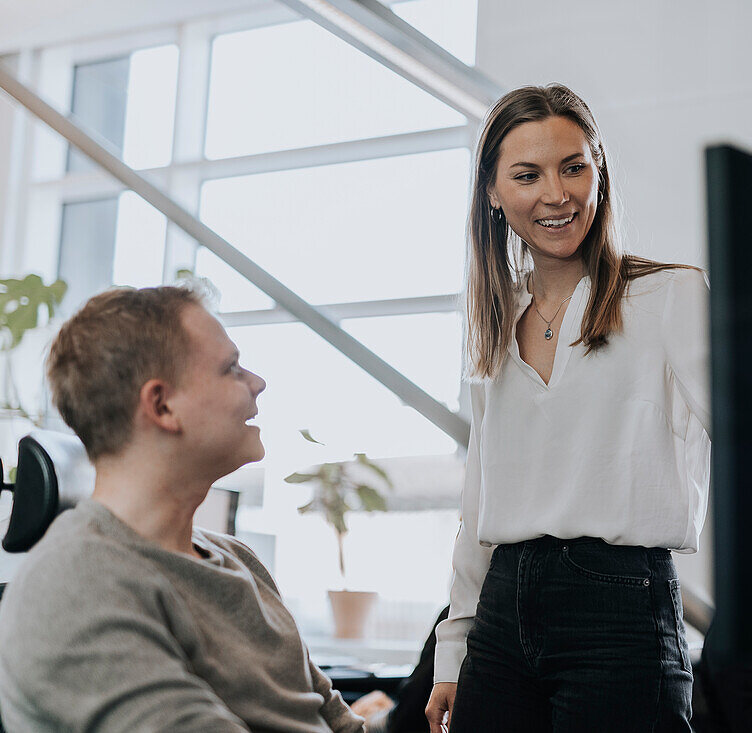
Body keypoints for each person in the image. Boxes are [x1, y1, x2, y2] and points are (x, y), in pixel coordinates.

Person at [425, 84, 711, 732]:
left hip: (619, 607)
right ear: (493, 194)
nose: (557, 194)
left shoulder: (669, 296)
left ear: (599, 169)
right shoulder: (497, 324)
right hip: (501, 613)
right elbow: (478, 506)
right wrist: (453, 649)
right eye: (527, 175)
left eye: (573, 166)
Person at [0, 285, 366, 733]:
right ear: (162, 405)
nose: (257, 382)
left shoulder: (239, 561)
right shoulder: (74, 583)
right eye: (231, 368)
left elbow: (341, 725)